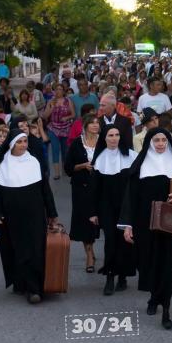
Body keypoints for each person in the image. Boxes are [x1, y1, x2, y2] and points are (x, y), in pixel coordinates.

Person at [120, 128, 172, 330]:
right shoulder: (140, 165)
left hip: (170, 222)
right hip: (145, 222)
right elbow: (130, 197)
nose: (161, 144)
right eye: (156, 140)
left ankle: (166, 309)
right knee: (150, 261)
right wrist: (128, 225)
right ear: (149, 142)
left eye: (164, 140)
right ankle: (154, 298)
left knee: (169, 263)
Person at [0, 130, 59, 304]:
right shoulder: (3, 165)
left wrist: (52, 213)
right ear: (11, 145)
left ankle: (35, 289)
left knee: (35, 250)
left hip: (35, 215)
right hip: (12, 217)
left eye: (25, 141)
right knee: (17, 250)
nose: (24, 145)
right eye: (20, 142)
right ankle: (21, 282)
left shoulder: (33, 162)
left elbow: (45, 190)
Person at [89, 124, 138, 295]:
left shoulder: (131, 156)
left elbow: (136, 185)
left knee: (125, 241)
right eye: (110, 135)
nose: (114, 138)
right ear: (104, 138)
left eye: (117, 135)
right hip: (106, 207)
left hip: (126, 206)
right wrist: (93, 212)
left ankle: (123, 276)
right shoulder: (99, 159)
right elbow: (94, 189)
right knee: (110, 241)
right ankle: (110, 276)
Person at [64, 114, 101, 274]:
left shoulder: (105, 141)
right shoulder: (77, 144)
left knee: (99, 220)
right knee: (85, 221)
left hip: (100, 187)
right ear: (85, 125)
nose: (95, 125)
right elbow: (68, 167)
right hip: (81, 187)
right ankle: (89, 255)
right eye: (91, 123)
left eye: (97, 123)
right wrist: (82, 166)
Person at [43, 84, 75, 180]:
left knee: (65, 150)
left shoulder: (68, 101)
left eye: (60, 89)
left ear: (63, 91)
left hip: (65, 128)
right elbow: (45, 116)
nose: (58, 91)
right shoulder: (50, 101)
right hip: (53, 128)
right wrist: (51, 107)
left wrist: (67, 117)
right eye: (56, 89)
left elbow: (73, 114)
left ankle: (65, 169)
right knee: (55, 149)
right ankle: (56, 173)